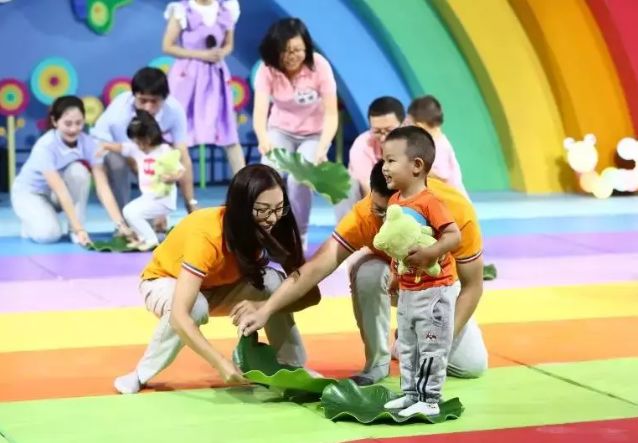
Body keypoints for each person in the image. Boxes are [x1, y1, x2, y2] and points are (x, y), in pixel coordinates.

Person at [235, 158, 487, 384]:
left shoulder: (454, 209)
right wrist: (266, 309)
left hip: (438, 288)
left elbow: (473, 286)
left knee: (472, 366)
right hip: (392, 282)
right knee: (368, 271)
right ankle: (377, 364)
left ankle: (408, 341)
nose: (384, 221)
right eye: (379, 210)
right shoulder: (364, 214)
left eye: (393, 213)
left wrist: (441, 344)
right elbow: (315, 268)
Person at [113, 164, 321, 394]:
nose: (272, 218)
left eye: (278, 208)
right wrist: (219, 362)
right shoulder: (207, 233)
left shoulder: (279, 225)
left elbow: (310, 295)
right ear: (241, 208)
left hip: (219, 287)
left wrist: (265, 306)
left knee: (275, 284)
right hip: (164, 282)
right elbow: (180, 316)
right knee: (195, 306)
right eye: (262, 210)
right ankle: (140, 374)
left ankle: (294, 368)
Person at [378, 126, 460, 416]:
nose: (384, 167)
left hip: (434, 291)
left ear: (416, 166)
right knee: (407, 344)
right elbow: (396, 246)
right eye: (383, 160)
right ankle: (410, 393)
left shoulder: (430, 202)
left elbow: (453, 236)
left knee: (431, 346)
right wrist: (395, 275)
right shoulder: (395, 202)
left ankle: (430, 399)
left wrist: (431, 253)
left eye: (390, 160)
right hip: (409, 289)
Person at [253, 18, 338, 248]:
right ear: (275, 49)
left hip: (314, 135)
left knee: (300, 178)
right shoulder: (267, 69)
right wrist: (263, 138)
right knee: (268, 175)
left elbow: (331, 114)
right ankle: (265, 230)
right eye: (287, 51)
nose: (293, 56)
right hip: (280, 130)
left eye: (299, 50)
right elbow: (260, 112)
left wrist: (323, 147)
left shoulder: (319, 66)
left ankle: (299, 235)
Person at [11, 95, 129, 245]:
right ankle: (31, 223)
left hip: (53, 195)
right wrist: (81, 229)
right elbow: (60, 190)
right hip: (30, 194)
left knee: (79, 172)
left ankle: (73, 229)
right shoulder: (45, 146)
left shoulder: (89, 144)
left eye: (78, 123)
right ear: (55, 121)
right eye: (68, 123)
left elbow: (102, 186)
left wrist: (121, 225)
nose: (73, 129)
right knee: (49, 236)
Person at [91, 67, 198, 213]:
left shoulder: (174, 110)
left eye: (154, 101)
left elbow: (182, 154)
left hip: (144, 146)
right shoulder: (119, 116)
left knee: (171, 159)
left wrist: (191, 203)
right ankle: (124, 215)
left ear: (164, 98)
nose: (147, 108)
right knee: (118, 164)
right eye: (143, 101)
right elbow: (134, 159)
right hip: (109, 145)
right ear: (134, 96)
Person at [162, 0, 245, 176]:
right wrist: (201, 54)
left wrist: (221, 53)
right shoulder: (182, 10)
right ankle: (164, 182)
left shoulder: (226, 9)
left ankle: (246, 185)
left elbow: (229, 44)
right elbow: (167, 46)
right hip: (186, 78)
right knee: (176, 133)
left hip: (215, 78)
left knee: (228, 130)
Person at [99, 110, 184, 250]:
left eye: (141, 142)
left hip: (163, 198)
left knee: (132, 213)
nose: (139, 145)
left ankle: (151, 239)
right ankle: (145, 238)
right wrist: (106, 146)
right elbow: (121, 147)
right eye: (136, 142)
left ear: (150, 137)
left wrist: (172, 177)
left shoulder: (164, 150)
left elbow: (180, 170)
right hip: (148, 197)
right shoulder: (136, 149)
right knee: (128, 211)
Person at [335, 96, 404, 222]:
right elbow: (368, 188)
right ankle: (347, 231)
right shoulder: (362, 145)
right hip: (370, 200)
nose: (383, 138)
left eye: (389, 130)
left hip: (404, 200)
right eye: (377, 131)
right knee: (344, 185)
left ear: (403, 125)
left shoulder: (416, 143)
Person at [405, 96, 468, 197]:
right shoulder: (434, 142)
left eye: (409, 124)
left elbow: (441, 178)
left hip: (452, 202)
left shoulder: (440, 148)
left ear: (419, 126)